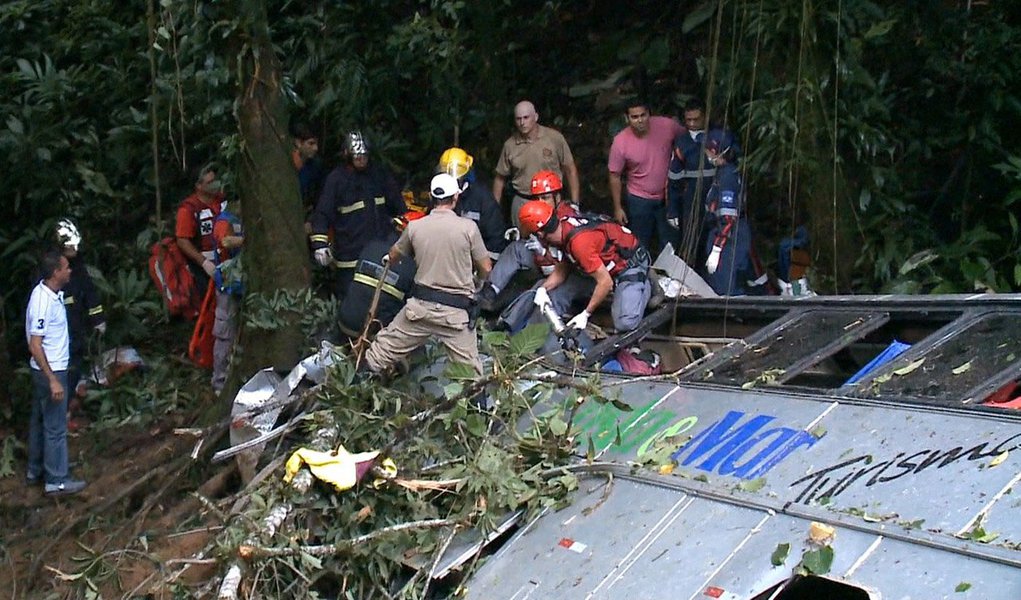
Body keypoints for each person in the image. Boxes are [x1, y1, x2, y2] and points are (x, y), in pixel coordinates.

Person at [363, 173, 492, 377]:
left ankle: (355, 385)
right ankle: (477, 407)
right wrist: (478, 282)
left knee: (379, 353)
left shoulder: (415, 227)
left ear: (431, 198)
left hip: (420, 310)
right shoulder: (469, 228)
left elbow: (393, 255)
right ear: (456, 197)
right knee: (471, 375)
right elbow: (486, 266)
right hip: (455, 315)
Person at [519, 200, 652, 336]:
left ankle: (646, 284)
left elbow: (605, 283)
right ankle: (545, 338)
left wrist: (585, 314)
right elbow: (563, 268)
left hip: (628, 265)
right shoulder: (562, 230)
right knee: (556, 294)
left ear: (540, 234)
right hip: (601, 267)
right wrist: (543, 289)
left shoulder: (579, 243)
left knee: (625, 322)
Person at [309, 130, 406, 301]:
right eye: (357, 157)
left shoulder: (379, 175)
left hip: (379, 255)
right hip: (350, 259)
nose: (361, 160)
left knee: (380, 302)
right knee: (350, 301)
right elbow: (323, 213)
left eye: (364, 156)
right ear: (347, 155)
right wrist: (320, 244)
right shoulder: (336, 180)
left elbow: (399, 208)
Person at [25, 249, 86, 496]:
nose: (70, 270)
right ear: (55, 273)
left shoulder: (51, 294)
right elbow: (35, 344)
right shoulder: (41, 302)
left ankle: (36, 469)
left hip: (47, 370)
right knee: (55, 427)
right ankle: (56, 479)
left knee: (40, 421)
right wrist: (52, 380)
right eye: (65, 267)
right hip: (50, 372)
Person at [477, 170, 578, 312]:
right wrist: (521, 231)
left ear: (557, 196)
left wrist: (544, 251)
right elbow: (529, 233)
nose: (541, 202)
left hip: (561, 268)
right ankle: (491, 290)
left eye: (545, 197)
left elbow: (569, 259)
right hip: (541, 258)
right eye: (537, 198)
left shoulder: (568, 216)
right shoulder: (539, 210)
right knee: (516, 248)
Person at [608, 99, 685, 256]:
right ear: (627, 118)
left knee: (670, 243)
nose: (640, 120)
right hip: (639, 198)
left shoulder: (667, 126)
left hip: (668, 196)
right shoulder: (620, 142)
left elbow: (687, 139)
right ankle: (641, 276)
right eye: (634, 117)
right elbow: (614, 175)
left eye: (643, 115)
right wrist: (617, 207)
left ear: (649, 114)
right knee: (640, 243)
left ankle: (668, 277)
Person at [667, 99, 741, 263]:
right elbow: (674, 178)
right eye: (688, 120)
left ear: (705, 117)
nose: (692, 124)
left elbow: (736, 154)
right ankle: (690, 274)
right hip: (691, 196)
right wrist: (672, 209)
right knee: (691, 237)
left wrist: (725, 157)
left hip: (717, 193)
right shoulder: (682, 142)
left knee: (714, 233)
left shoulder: (720, 137)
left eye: (696, 119)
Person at [493, 100, 580, 226]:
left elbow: (570, 169)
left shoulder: (554, 138)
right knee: (523, 242)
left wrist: (575, 203)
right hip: (522, 200)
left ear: (536, 117)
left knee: (555, 238)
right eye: (518, 119)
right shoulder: (510, 145)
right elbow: (499, 178)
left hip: (551, 199)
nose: (522, 123)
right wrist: (495, 208)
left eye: (526, 118)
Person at [55, 219, 106, 404]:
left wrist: (98, 319)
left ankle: (69, 407)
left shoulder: (77, 265)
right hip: (59, 331)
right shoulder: (49, 269)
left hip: (76, 326)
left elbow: (89, 291)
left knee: (76, 364)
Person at [438, 147, 507, 261]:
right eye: (445, 171)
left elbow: (495, 238)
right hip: (445, 255)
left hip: (475, 258)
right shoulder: (439, 195)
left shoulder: (482, 198)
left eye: (455, 172)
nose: (451, 177)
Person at [176, 163, 227, 299]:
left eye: (215, 180)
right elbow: (182, 240)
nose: (215, 185)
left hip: (227, 259)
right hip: (205, 267)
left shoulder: (222, 200)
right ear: (199, 186)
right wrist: (204, 262)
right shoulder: (189, 209)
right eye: (210, 182)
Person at [211, 204, 244, 393]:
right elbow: (225, 241)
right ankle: (220, 382)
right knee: (225, 334)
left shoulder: (245, 219)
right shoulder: (225, 220)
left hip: (242, 285)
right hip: (227, 286)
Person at [291, 121, 325, 234]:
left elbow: (318, 197)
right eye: (311, 143)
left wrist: (310, 220)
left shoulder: (315, 167)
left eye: (316, 144)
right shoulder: (286, 165)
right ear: (298, 143)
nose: (315, 148)